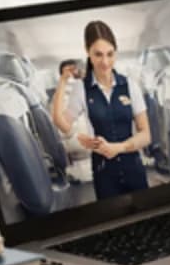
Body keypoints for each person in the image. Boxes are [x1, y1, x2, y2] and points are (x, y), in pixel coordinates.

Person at [52, 20, 150, 199]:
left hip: (134, 169)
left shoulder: (130, 86)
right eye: (98, 55)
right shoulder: (81, 89)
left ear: (116, 52)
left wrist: (118, 148)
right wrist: (63, 81)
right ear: (87, 51)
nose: (105, 62)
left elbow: (146, 135)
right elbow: (63, 125)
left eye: (110, 54)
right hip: (104, 174)